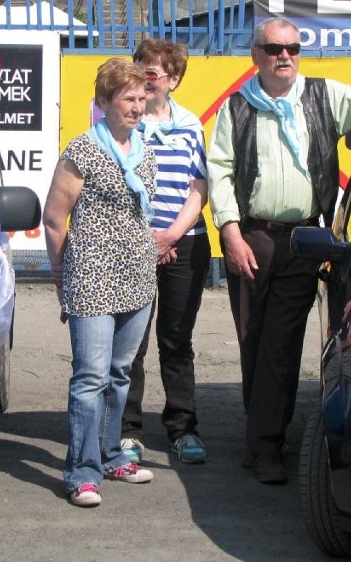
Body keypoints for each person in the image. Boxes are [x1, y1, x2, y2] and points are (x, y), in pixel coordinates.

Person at [206, 17, 351, 484]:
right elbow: (219, 171)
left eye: (292, 47)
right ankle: (260, 436)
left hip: (304, 239)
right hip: (252, 237)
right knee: (253, 342)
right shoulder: (237, 107)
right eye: (273, 48)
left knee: (280, 345)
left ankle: (265, 446)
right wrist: (230, 232)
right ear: (256, 55)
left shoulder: (324, 95)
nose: (284, 55)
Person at [42, 58, 159, 508]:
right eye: (126, 98)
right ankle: (82, 471)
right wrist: (59, 274)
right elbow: (54, 219)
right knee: (90, 377)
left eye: (140, 97)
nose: (136, 106)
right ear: (103, 103)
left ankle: (112, 456)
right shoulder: (83, 150)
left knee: (119, 373)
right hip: (91, 276)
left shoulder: (143, 149)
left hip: (136, 278)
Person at [120, 39, 211, 465]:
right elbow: (117, 186)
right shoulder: (120, 123)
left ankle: (182, 429)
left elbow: (199, 188)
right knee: (130, 342)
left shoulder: (191, 125)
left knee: (176, 342)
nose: (143, 80)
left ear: (173, 80)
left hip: (184, 245)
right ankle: (126, 431)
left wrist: (171, 235)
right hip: (134, 243)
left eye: (152, 74)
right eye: (138, 70)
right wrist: (147, 239)